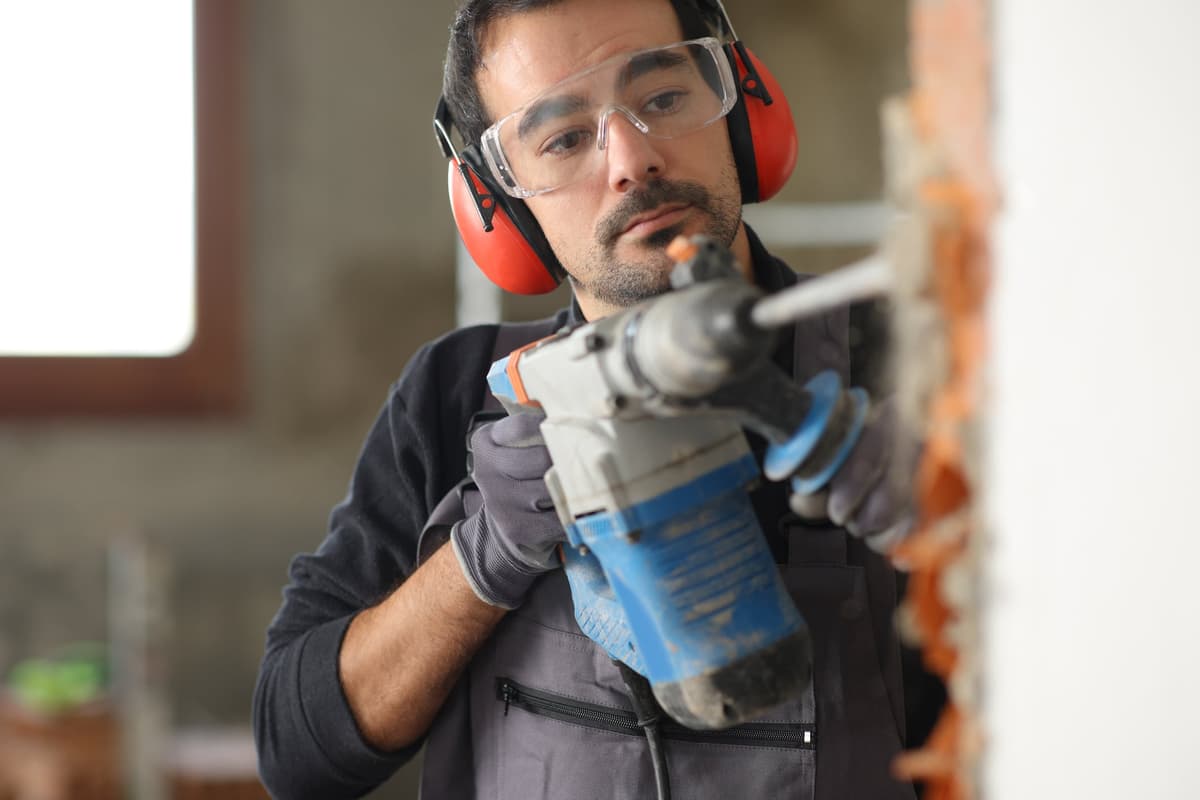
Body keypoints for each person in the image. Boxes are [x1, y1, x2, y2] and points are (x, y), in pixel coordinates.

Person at [253, 1, 918, 798]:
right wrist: (482, 558)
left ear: (741, 103)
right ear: (497, 205)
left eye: (663, 97)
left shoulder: (907, 357)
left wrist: (951, 520)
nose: (633, 158)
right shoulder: (457, 395)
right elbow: (295, 753)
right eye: (565, 138)